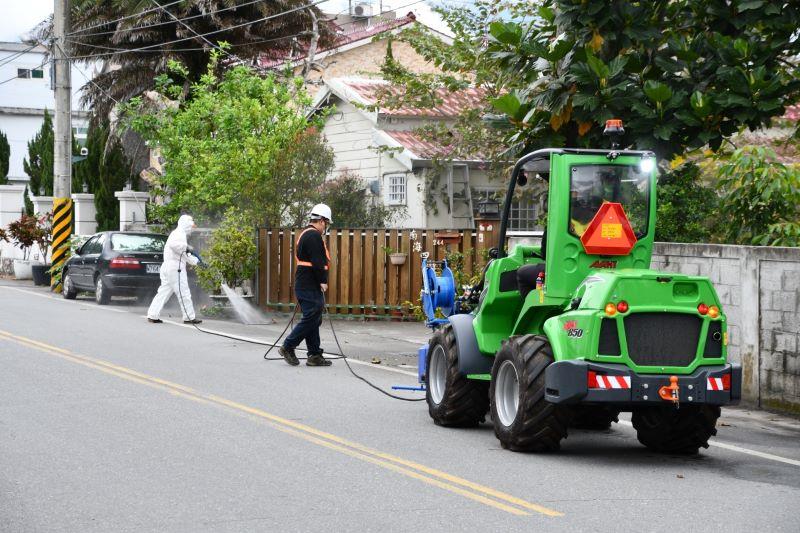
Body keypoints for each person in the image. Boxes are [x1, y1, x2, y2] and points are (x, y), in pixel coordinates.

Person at [278, 204, 333, 367]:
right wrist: (323, 281)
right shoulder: (314, 236)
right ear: (322, 221)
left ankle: (314, 355)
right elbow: (317, 262)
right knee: (312, 316)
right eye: (327, 223)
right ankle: (288, 346)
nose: (326, 227)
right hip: (309, 284)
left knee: (314, 318)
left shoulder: (305, 234)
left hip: (305, 283)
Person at [147, 214, 203, 325]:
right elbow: (176, 246)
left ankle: (152, 315)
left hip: (168, 267)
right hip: (175, 268)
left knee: (163, 292)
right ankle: (189, 317)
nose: (192, 229)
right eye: (191, 226)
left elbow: (182, 254)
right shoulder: (179, 234)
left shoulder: (177, 233)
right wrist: (186, 247)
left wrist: (196, 261)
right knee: (184, 293)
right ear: (186, 225)